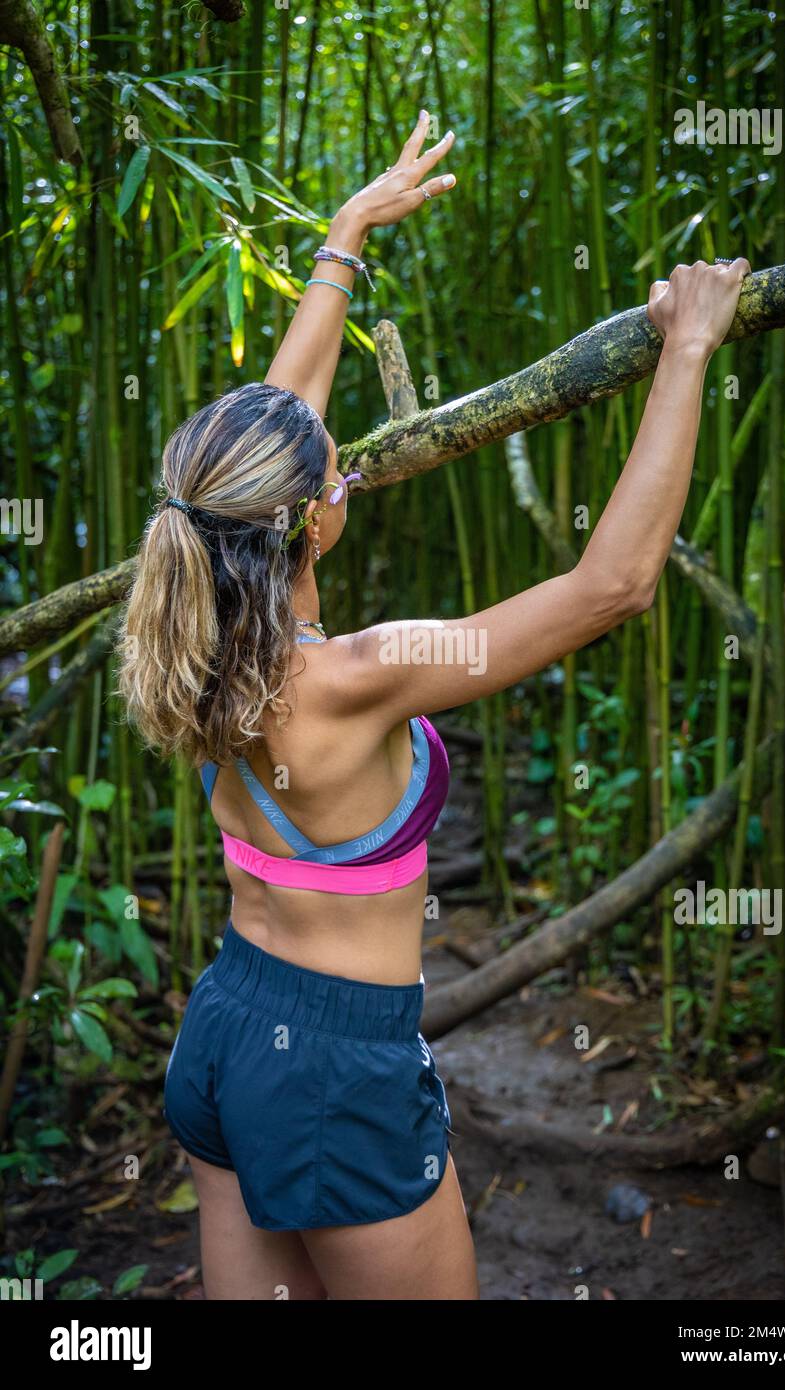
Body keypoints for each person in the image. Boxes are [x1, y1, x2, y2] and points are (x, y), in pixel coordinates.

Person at [117, 109, 749, 1300]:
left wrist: (345, 235)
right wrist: (686, 349)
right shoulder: (357, 671)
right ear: (307, 522)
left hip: (224, 1038)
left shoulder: (195, 622)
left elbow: (275, 425)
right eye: (337, 473)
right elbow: (608, 586)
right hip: (335, 1078)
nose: (345, 466)